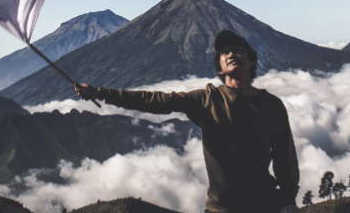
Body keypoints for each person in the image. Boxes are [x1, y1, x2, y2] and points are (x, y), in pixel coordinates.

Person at [75, 30, 300, 213]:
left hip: (266, 205)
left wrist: (288, 200)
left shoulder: (271, 105)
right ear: (219, 69)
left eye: (237, 50)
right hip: (222, 209)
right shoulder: (207, 100)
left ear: (252, 61)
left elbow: (284, 155)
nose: (231, 53)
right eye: (224, 52)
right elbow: (156, 100)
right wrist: (101, 92)